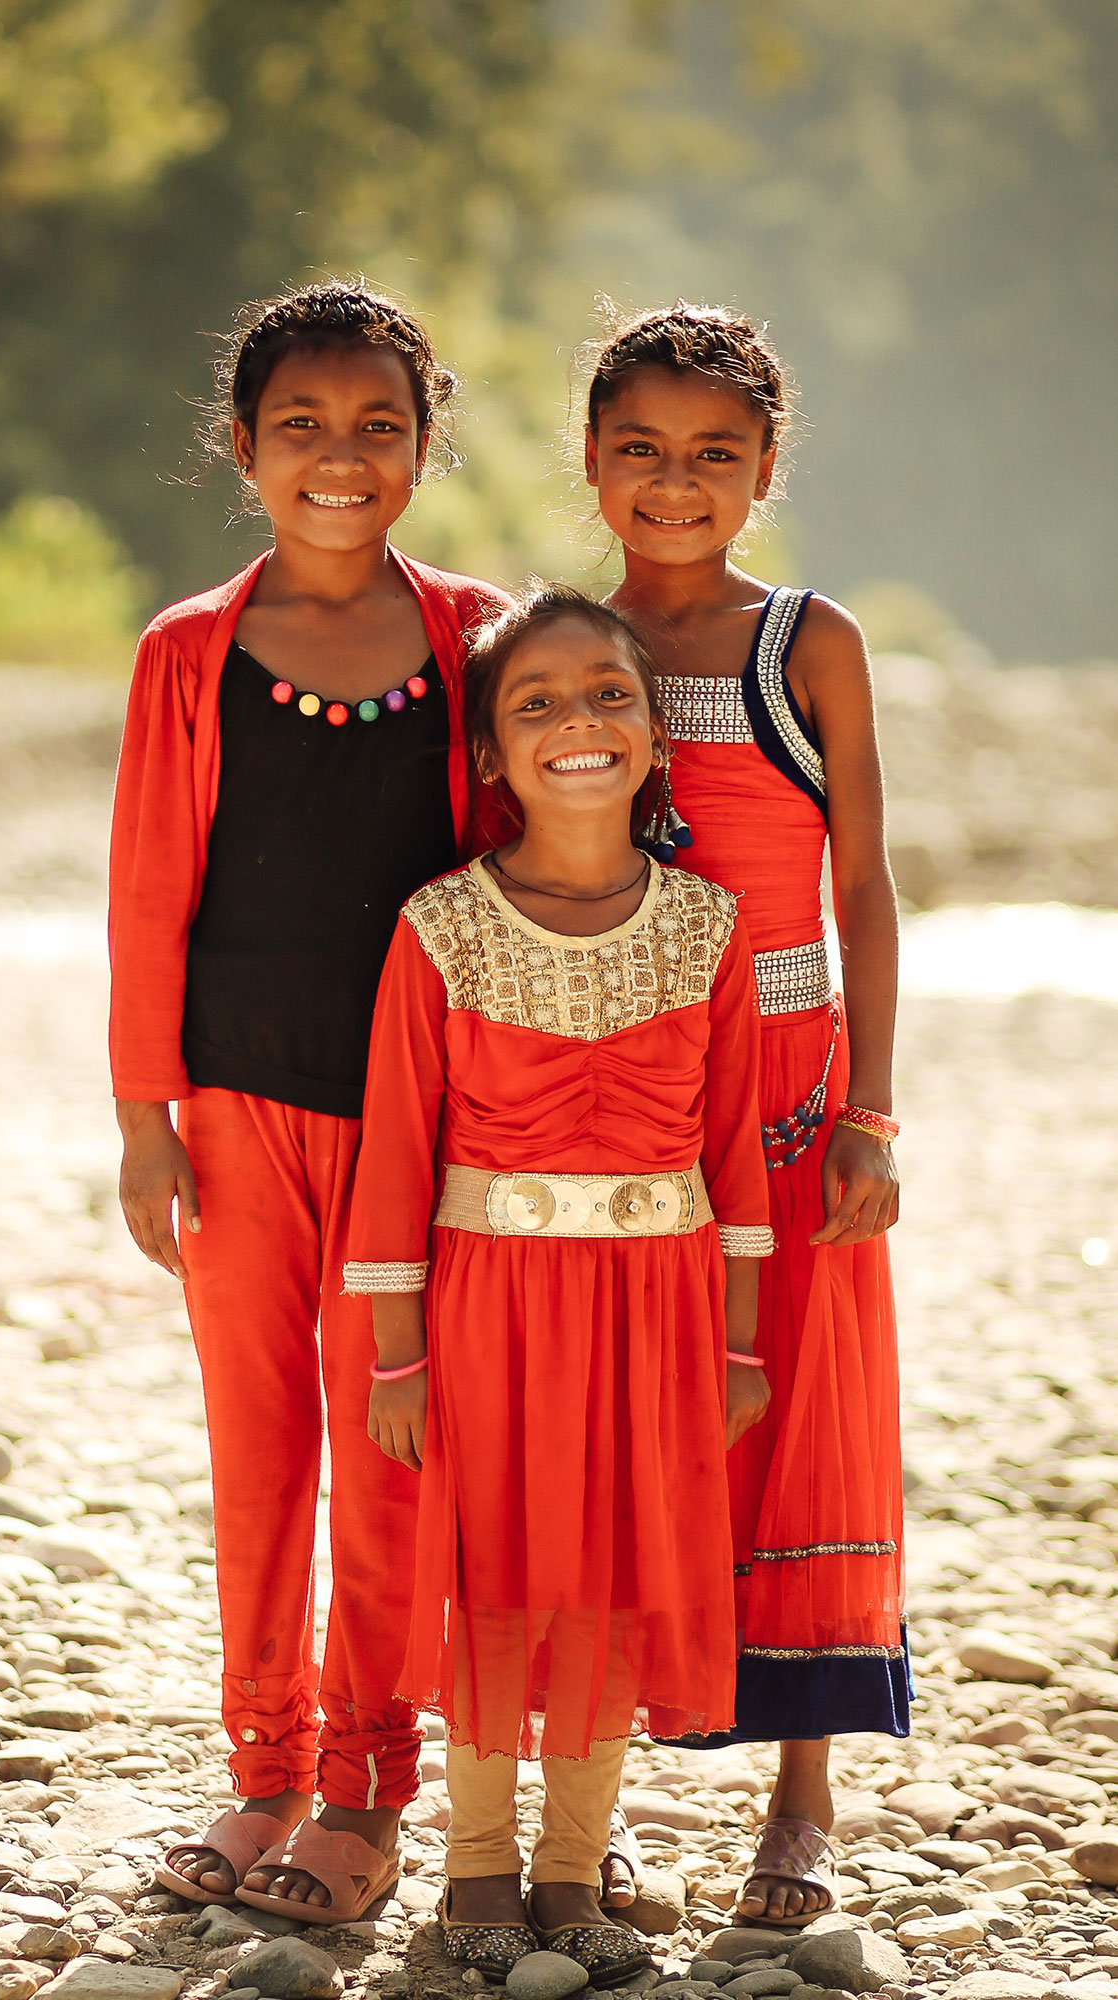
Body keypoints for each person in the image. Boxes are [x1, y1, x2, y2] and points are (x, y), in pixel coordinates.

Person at [109, 280, 511, 1920]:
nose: (339, 457)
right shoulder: (190, 652)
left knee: (391, 1443)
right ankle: (266, 1767)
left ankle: (367, 1783)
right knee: (261, 1445)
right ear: (243, 448)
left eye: (377, 427)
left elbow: (530, 869)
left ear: (424, 446)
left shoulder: (479, 637)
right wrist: (146, 1117)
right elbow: (149, 897)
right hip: (232, 1110)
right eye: (301, 428)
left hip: (421, 1127)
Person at [341, 586, 775, 1982]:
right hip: (484, 1309)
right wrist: (397, 1358)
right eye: (535, 702)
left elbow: (735, 1160)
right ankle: (476, 1864)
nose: (576, 723)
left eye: (608, 696)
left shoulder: (709, 930)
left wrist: (741, 1345)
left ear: (656, 734)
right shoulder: (440, 928)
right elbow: (397, 1152)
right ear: (486, 754)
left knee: (606, 1577)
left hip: (655, 1314)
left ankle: (574, 1867)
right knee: (494, 1575)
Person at [584, 302, 908, 1927]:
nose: (674, 483)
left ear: (766, 470)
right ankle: (595, 1792)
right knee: (616, 1414)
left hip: (788, 1087)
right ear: (590, 462)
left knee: (797, 1404)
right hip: (621, 1085)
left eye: (714, 455)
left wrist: (875, 1115)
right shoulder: (563, 644)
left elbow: (863, 885)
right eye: (639, 450)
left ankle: (803, 1796)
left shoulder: (810, 645)